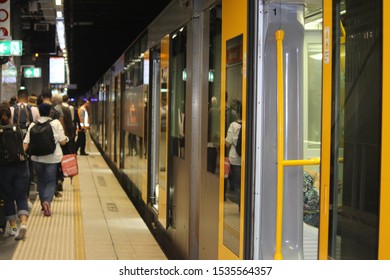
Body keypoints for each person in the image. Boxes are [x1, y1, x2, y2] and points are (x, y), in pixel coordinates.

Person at [23, 103, 67, 217]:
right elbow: (62, 142)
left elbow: (26, 143)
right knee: (50, 180)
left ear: (39, 112)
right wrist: (66, 139)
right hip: (52, 158)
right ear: (49, 112)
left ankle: (43, 202)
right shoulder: (55, 123)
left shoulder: (33, 125)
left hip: (36, 158)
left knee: (40, 181)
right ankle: (47, 201)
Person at [0, 102, 30, 240]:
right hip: (21, 166)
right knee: (22, 196)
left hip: (4, 168)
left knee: (8, 197)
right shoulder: (16, 129)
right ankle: (23, 223)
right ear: (10, 115)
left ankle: (12, 228)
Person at [225, 99, 242, 206]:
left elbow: (228, 143)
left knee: (237, 185)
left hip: (235, 159)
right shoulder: (250, 124)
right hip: (245, 160)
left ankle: (240, 205)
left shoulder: (233, 125)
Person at [207, 96, 220, 173]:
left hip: (210, 141)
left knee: (210, 162)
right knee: (214, 160)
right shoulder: (218, 111)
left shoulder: (210, 112)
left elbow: (209, 125)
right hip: (216, 140)